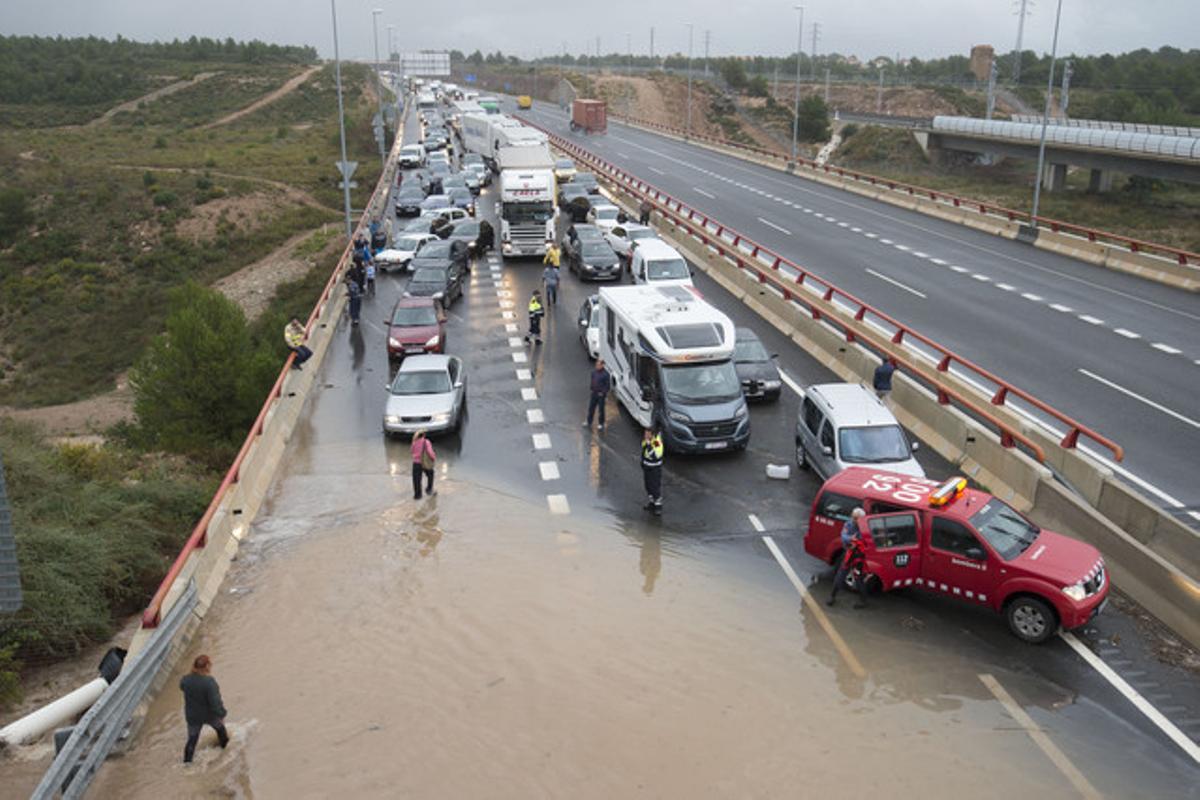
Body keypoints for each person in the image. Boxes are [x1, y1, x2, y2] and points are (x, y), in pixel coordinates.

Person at [180, 654, 228, 764]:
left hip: (193, 716)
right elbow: (215, 702)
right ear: (206, 666)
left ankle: (187, 763)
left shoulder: (186, 680)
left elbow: (182, 687)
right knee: (221, 731)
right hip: (209, 715)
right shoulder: (209, 682)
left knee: (192, 740)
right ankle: (225, 752)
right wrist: (222, 714)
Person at [828, 508, 869, 609]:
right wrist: (852, 539)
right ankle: (832, 596)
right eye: (853, 517)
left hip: (859, 557)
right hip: (848, 554)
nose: (853, 520)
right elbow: (843, 536)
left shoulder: (866, 527)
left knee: (859, 579)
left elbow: (865, 541)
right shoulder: (849, 524)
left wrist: (855, 541)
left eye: (856, 518)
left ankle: (863, 601)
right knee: (840, 576)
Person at [641, 428, 664, 514]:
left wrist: (648, 445)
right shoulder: (647, 440)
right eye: (645, 434)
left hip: (654, 469)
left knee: (655, 487)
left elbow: (656, 456)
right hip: (647, 468)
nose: (645, 436)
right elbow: (643, 451)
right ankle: (652, 503)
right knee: (648, 486)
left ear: (652, 435)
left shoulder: (656, 443)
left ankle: (658, 507)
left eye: (647, 434)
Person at [584, 358, 610, 430]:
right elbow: (592, 380)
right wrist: (591, 388)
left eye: (598, 365)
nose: (597, 366)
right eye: (596, 365)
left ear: (602, 365)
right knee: (591, 408)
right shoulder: (594, 372)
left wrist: (603, 393)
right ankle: (589, 421)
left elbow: (607, 386)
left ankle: (601, 423)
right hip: (594, 393)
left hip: (600, 395)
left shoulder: (606, 374)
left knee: (601, 410)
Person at [411, 430, 436, 499]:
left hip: (416, 463)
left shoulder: (414, 442)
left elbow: (412, 451)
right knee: (431, 474)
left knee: (416, 480)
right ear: (424, 435)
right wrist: (433, 458)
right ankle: (429, 489)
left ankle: (417, 495)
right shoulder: (426, 442)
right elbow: (430, 452)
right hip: (424, 463)